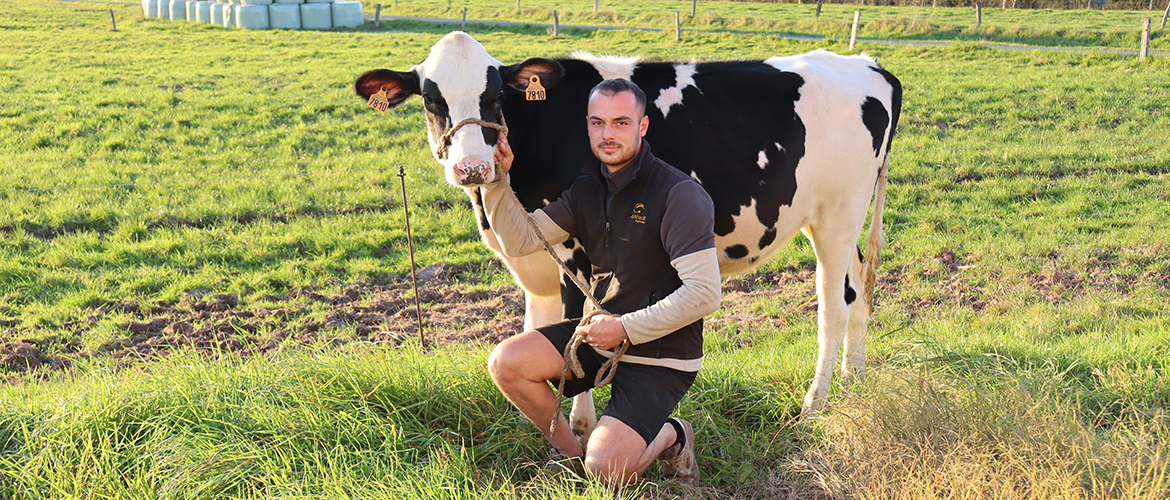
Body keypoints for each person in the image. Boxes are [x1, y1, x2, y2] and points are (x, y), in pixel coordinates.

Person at [480, 78, 721, 487]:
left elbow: (704, 294)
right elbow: (520, 240)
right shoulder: (588, 190)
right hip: (599, 337)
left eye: (621, 123)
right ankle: (571, 457)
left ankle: (672, 435)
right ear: (588, 126)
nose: (608, 134)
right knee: (507, 364)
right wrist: (497, 182)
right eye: (598, 123)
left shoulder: (679, 194)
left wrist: (624, 327)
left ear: (643, 127)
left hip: (661, 353)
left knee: (608, 469)